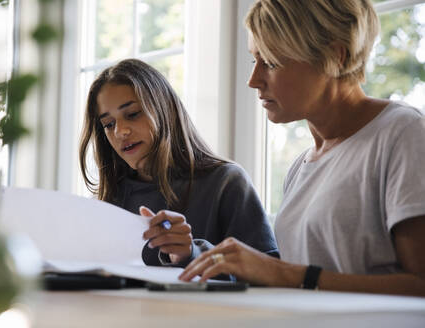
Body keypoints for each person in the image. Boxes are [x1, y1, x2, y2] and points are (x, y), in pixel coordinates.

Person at [179, 0, 425, 296]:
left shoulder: (402, 133)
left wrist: (284, 273)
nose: (253, 80)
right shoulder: (300, 167)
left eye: (270, 62)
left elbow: (420, 284)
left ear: (334, 56)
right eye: (254, 60)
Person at [79, 58, 278, 268]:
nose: (120, 132)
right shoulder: (106, 202)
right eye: (109, 124)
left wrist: (191, 253)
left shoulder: (226, 183)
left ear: (166, 109)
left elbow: (268, 273)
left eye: (133, 114)